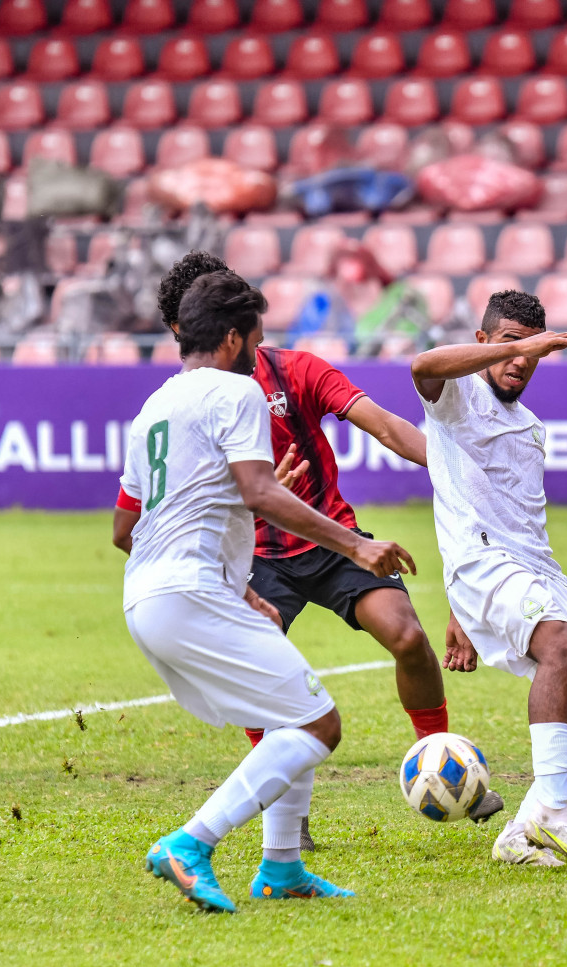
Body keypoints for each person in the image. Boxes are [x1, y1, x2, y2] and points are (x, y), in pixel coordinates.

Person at [152, 253, 502, 849]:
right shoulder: (189, 402)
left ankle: (438, 751)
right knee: (262, 684)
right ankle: (281, 810)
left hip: (331, 539)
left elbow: (386, 425)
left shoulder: (296, 372)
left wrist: (455, 467)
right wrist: (252, 500)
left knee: (409, 638)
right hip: (255, 560)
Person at [113, 271, 415, 912]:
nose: (260, 347)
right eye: (255, 334)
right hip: (190, 594)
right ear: (231, 339)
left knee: (292, 706)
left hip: (149, 593)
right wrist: (357, 545)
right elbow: (260, 492)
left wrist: (236, 585)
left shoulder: (152, 411)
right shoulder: (237, 391)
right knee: (318, 724)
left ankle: (282, 869)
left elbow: (126, 528)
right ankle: (190, 842)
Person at [412, 289, 567, 870]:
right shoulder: (456, 398)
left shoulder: (531, 428)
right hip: (482, 563)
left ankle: (525, 828)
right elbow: (422, 366)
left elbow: (509, 511)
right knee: (560, 642)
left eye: (531, 353)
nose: (521, 361)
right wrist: (463, 595)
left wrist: (463, 613)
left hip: (533, 565)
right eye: (511, 346)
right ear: (483, 342)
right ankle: (557, 812)